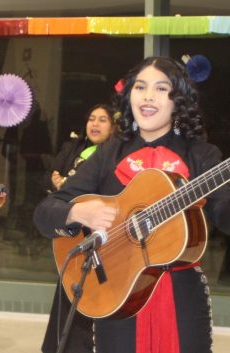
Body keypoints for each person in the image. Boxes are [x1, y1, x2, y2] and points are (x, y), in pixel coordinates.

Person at [33, 56, 230, 353]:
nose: (148, 96)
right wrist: (77, 211)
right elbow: (45, 213)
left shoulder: (202, 155)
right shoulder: (107, 155)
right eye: (140, 87)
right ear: (129, 96)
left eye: (162, 88)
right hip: (117, 290)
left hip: (181, 298)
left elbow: (224, 213)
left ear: (179, 100)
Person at [41, 103, 115, 353]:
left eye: (102, 120)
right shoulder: (74, 148)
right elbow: (50, 179)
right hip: (72, 237)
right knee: (69, 296)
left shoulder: (112, 155)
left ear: (114, 127)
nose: (94, 124)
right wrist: (59, 186)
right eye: (91, 118)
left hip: (104, 242)